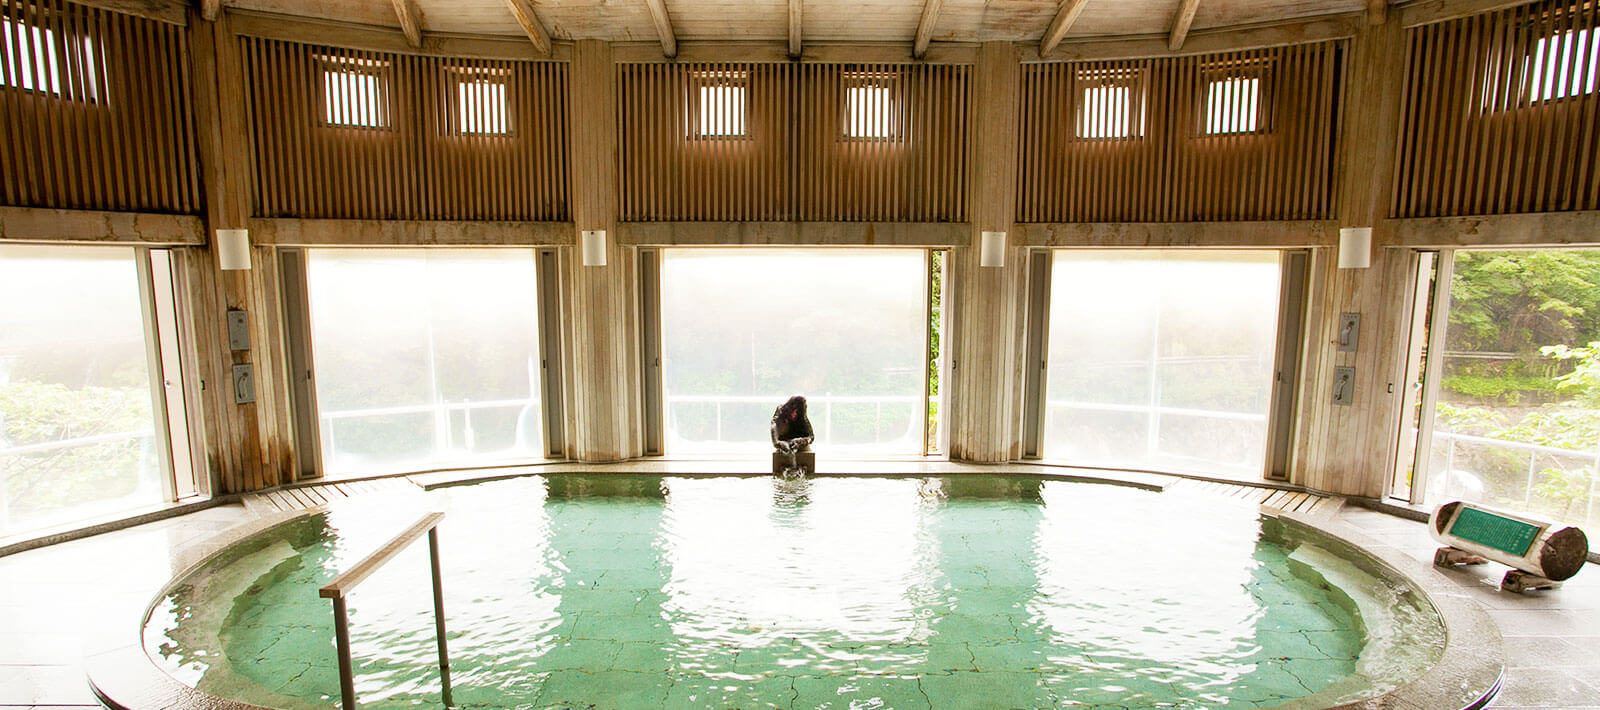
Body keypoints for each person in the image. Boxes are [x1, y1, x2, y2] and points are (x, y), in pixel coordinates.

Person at [770, 395, 814, 474]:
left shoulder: (801, 414)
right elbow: (774, 426)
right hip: (784, 439)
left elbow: (811, 436)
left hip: (796, 439)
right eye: (794, 410)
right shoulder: (781, 411)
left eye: (797, 411)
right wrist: (777, 442)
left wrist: (802, 441)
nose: (795, 414)